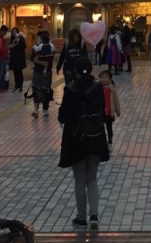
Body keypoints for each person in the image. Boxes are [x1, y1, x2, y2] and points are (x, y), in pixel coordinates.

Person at [58, 56, 109, 230]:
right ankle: (94, 215)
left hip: (76, 139)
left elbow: (63, 116)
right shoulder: (97, 88)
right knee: (92, 178)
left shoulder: (70, 89)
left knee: (80, 179)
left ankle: (81, 217)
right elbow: (102, 110)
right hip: (95, 136)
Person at [30, 31, 55, 117]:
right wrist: (41, 62)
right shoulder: (50, 48)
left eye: (38, 38)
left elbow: (33, 59)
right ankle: (39, 110)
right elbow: (33, 58)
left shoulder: (41, 48)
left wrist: (38, 61)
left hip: (41, 73)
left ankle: (41, 110)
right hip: (42, 72)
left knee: (41, 90)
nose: (37, 40)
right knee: (41, 90)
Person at [99, 69, 120, 145]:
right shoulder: (98, 88)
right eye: (101, 77)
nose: (103, 79)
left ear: (110, 79)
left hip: (109, 112)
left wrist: (117, 111)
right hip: (100, 111)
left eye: (105, 77)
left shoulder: (112, 89)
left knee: (109, 126)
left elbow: (116, 101)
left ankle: (110, 137)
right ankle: (102, 138)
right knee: (100, 126)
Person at [9, 27, 27, 93]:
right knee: (15, 72)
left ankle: (20, 86)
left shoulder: (21, 39)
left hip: (19, 58)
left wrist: (19, 39)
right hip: (14, 58)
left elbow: (24, 47)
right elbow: (10, 46)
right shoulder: (12, 39)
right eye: (13, 32)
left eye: (15, 32)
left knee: (19, 72)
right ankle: (16, 86)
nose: (14, 33)